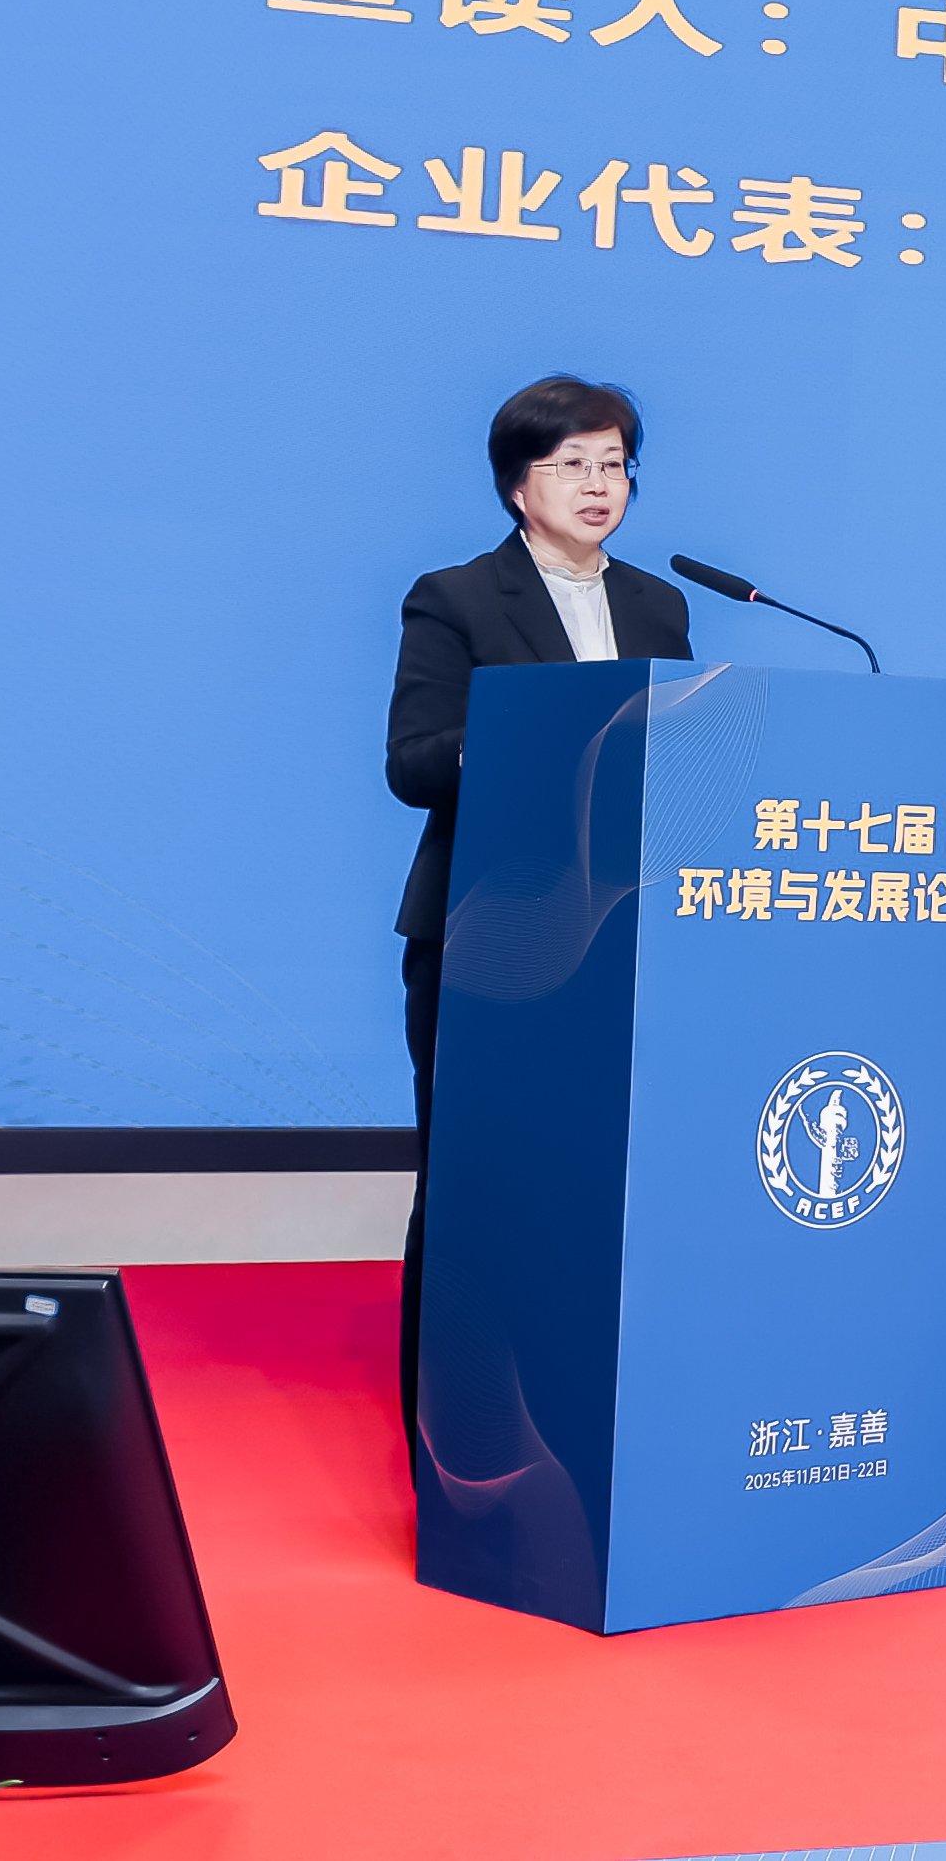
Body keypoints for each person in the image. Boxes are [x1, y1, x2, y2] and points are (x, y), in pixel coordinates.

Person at [383, 375, 692, 1438]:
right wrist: (522, 731)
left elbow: (672, 764)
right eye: (572, 465)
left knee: (593, 1188)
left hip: (617, 943)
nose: (599, 485)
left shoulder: (658, 605)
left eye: (614, 465)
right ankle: (452, 1443)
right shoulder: (458, 597)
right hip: (488, 940)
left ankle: (584, 1420)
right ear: (519, 485)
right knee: (477, 1187)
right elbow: (414, 765)